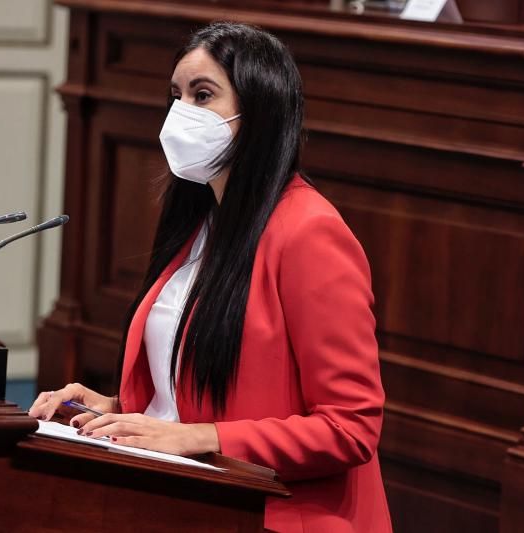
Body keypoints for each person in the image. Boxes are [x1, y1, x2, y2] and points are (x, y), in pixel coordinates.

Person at [29, 21, 391, 533]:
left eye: (203, 95)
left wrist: (201, 438)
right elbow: (196, 399)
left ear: (260, 112)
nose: (182, 113)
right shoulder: (196, 223)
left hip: (274, 515)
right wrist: (115, 411)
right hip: (186, 499)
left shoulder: (310, 232)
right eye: (176, 95)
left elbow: (349, 428)